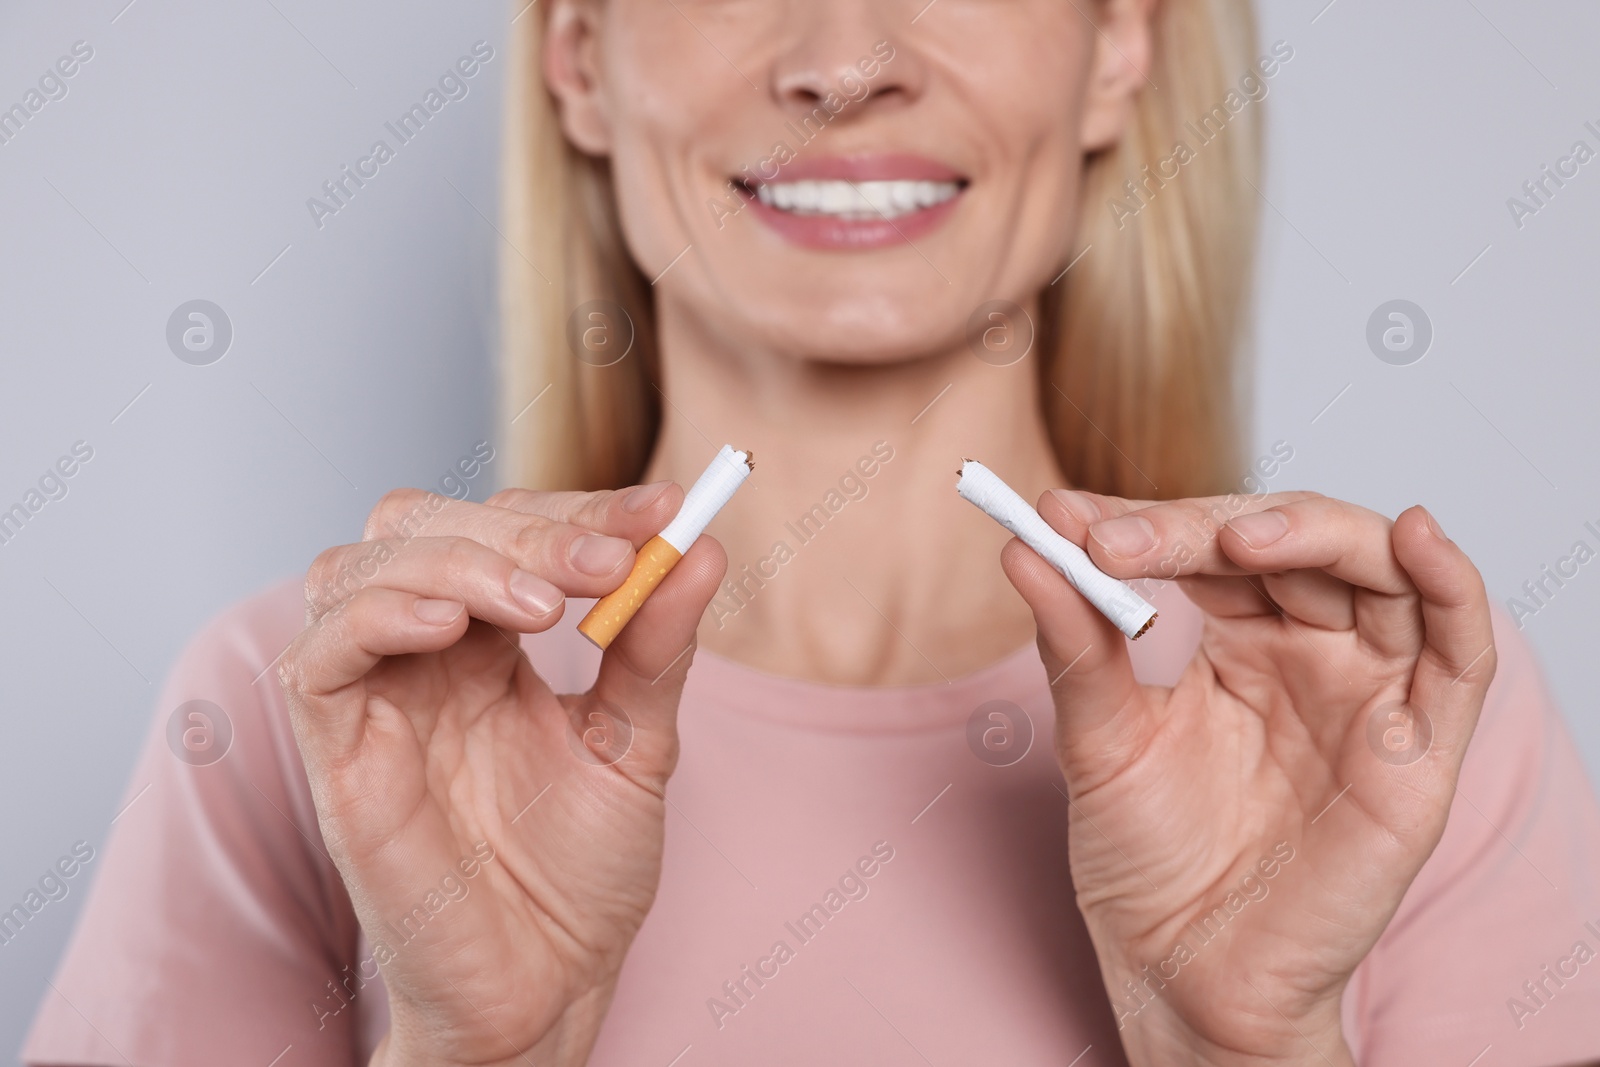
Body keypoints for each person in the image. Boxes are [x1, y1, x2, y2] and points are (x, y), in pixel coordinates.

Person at [26, 0, 1600, 1064]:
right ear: (580, 53)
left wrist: (1244, 1051)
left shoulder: (1384, 724)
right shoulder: (308, 709)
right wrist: (479, 1055)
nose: (846, 60)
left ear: (1119, 41)